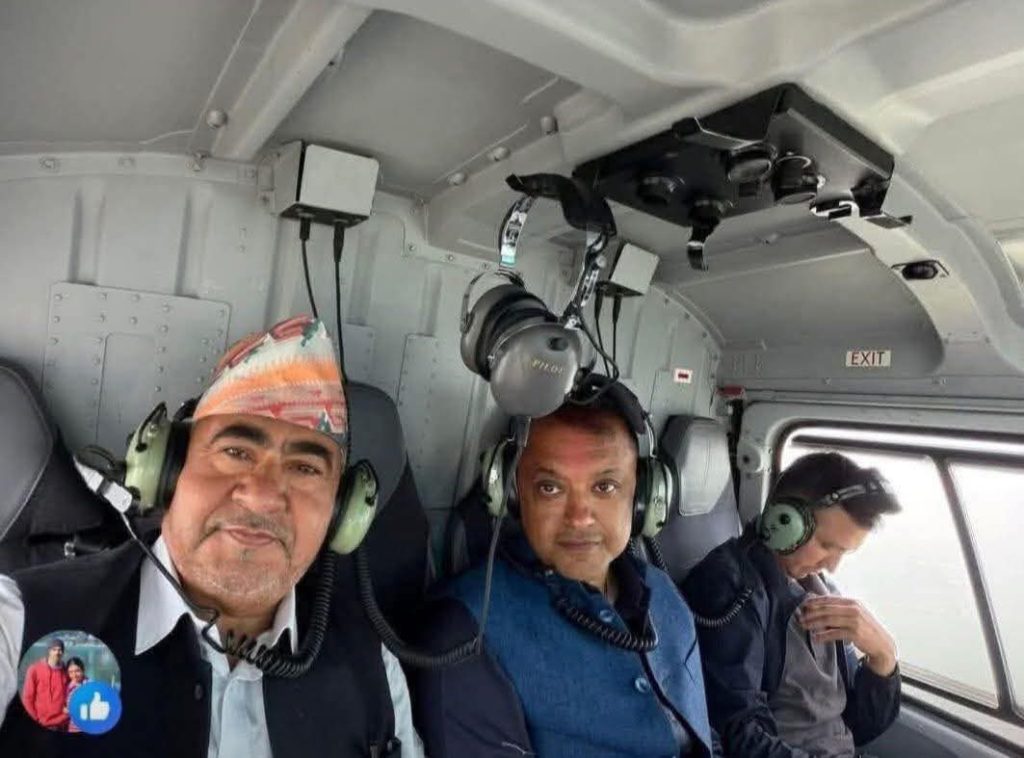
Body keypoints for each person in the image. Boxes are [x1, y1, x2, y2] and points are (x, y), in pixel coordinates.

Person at [0, 315, 421, 757]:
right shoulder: (19, 622)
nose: (262, 496)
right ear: (167, 472)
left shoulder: (373, 669)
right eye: (235, 452)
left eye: (304, 468)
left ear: (341, 514)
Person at [413, 376, 718, 757]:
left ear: (642, 497)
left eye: (604, 487)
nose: (579, 517)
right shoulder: (463, 633)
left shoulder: (662, 592)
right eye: (550, 488)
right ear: (513, 494)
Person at [682, 452, 902, 758]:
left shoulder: (820, 588)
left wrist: (883, 657)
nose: (832, 566)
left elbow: (856, 728)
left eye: (843, 553)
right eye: (826, 546)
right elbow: (737, 735)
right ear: (784, 520)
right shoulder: (729, 590)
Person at [20, 637, 69, 731]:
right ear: (49, 651)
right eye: (54, 649)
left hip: (62, 724)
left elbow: (74, 689)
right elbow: (27, 698)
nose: (57, 652)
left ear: (62, 652)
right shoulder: (34, 669)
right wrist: (35, 719)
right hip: (41, 723)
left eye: (60, 650)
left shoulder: (66, 671)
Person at [64, 656, 87, 733]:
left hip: (87, 728)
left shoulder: (90, 686)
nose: (74, 675)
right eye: (70, 672)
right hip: (72, 728)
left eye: (77, 671)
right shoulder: (68, 687)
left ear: (83, 670)